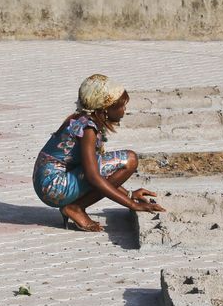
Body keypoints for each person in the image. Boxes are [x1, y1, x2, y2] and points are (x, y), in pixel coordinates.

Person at [32, 74, 165, 232]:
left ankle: (75, 207)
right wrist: (132, 205)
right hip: (54, 186)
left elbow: (98, 170)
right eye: (121, 106)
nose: (125, 110)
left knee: (106, 163)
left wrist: (130, 194)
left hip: (47, 183)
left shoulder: (80, 120)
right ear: (105, 108)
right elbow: (93, 177)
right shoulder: (88, 129)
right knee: (130, 160)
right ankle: (75, 208)